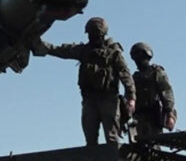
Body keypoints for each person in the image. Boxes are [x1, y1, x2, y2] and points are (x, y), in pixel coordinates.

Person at [35, 17, 135, 145]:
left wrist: (131, 97)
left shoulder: (113, 53)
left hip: (108, 99)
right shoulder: (83, 51)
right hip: (89, 100)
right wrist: (41, 45)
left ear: (102, 35)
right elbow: (61, 50)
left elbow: (125, 74)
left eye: (95, 35)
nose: (92, 37)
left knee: (111, 138)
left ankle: (113, 157)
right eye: (90, 34)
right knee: (90, 138)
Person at [129, 42, 176, 137]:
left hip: (154, 117)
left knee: (155, 141)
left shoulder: (156, 73)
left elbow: (166, 93)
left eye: (139, 55)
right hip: (139, 117)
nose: (137, 60)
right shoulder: (135, 77)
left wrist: (170, 115)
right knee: (140, 142)